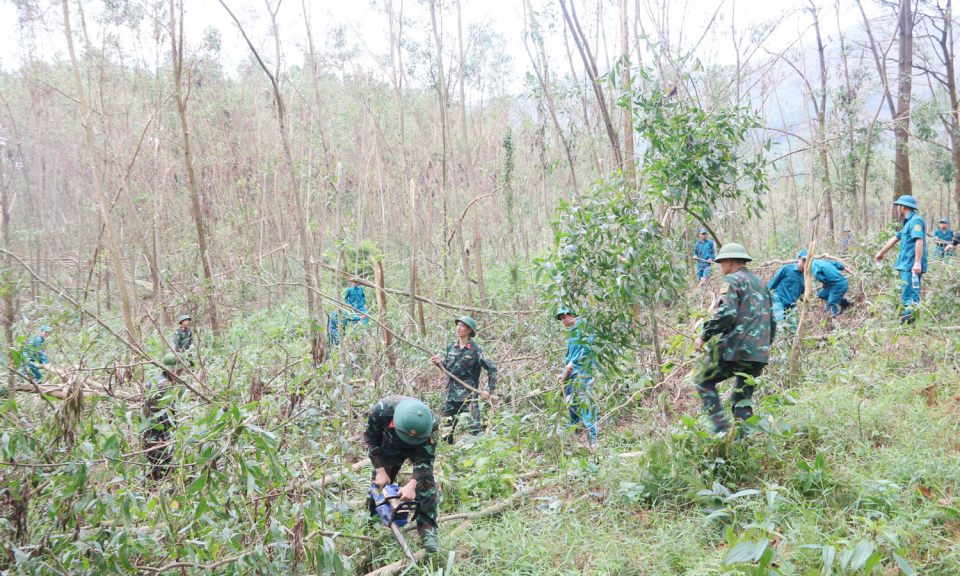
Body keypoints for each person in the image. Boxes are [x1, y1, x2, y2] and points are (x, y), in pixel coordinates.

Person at [693, 243, 776, 436]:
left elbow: (727, 314)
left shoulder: (732, 281)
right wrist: (762, 348)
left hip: (736, 350)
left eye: (721, 263)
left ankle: (721, 430)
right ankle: (742, 444)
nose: (721, 268)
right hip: (758, 354)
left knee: (702, 380)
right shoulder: (761, 285)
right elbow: (772, 321)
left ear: (729, 262)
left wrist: (703, 335)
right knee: (742, 402)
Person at [364, 395, 440, 553]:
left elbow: (426, 460)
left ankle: (428, 531)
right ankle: (372, 522)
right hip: (390, 443)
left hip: (419, 448)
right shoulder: (382, 410)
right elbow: (371, 438)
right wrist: (379, 469)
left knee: (426, 484)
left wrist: (413, 484)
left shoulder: (430, 424)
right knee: (379, 486)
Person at [430, 316, 497, 444]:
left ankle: (483, 456)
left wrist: (488, 390)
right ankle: (448, 457)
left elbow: (492, 369)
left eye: (462, 326)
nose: (458, 328)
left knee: (475, 430)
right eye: (458, 325)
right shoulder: (451, 347)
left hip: (468, 397)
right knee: (444, 430)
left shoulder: (476, 350)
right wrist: (439, 363)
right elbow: (448, 367)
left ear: (469, 330)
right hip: (450, 396)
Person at [874, 195, 928, 324]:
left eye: (898, 206)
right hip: (906, 265)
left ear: (902, 207)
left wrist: (917, 263)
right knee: (907, 292)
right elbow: (894, 238)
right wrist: (881, 253)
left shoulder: (915, 221)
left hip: (911, 266)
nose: (897, 208)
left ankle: (909, 322)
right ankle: (907, 321)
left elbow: (919, 241)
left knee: (911, 293)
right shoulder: (908, 223)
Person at [555, 308, 599, 445]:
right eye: (561, 319)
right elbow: (570, 356)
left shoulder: (585, 328)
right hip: (571, 374)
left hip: (583, 373)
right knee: (572, 405)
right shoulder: (572, 333)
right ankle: (573, 439)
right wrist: (563, 374)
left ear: (571, 314)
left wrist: (573, 363)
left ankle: (593, 440)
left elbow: (587, 349)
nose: (563, 321)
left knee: (586, 404)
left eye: (564, 317)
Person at [143, 353, 182, 480]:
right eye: (181, 368)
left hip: (148, 427)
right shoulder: (166, 385)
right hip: (160, 430)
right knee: (162, 462)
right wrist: (173, 429)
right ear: (174, 369)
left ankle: (151, 484)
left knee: (151, 460)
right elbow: (166, 414)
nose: (183, 371)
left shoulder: (155, 379)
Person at [797, 250, 851, 317]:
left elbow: (819, 276)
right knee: (822, 294)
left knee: (830, 305)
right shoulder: (822, 261)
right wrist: (849, 270)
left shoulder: (812, 266)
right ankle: (844, 302)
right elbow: (836, 264)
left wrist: (824, 283)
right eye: (803, 260)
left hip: (838, 285)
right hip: (834, 284)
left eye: (805, 260)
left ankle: (832, 324)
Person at [766, 259, 804, 333]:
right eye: (803, 260)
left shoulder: (806, 276)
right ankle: (778, 342)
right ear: (799, 258)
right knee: (780, 323)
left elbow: (803, 295)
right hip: (778, 299)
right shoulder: (787, 268)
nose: (805, 263)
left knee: (794, 327)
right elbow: (773, 282)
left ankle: (792, 343)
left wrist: (808, 309)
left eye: (808, 260)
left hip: (791, 303)